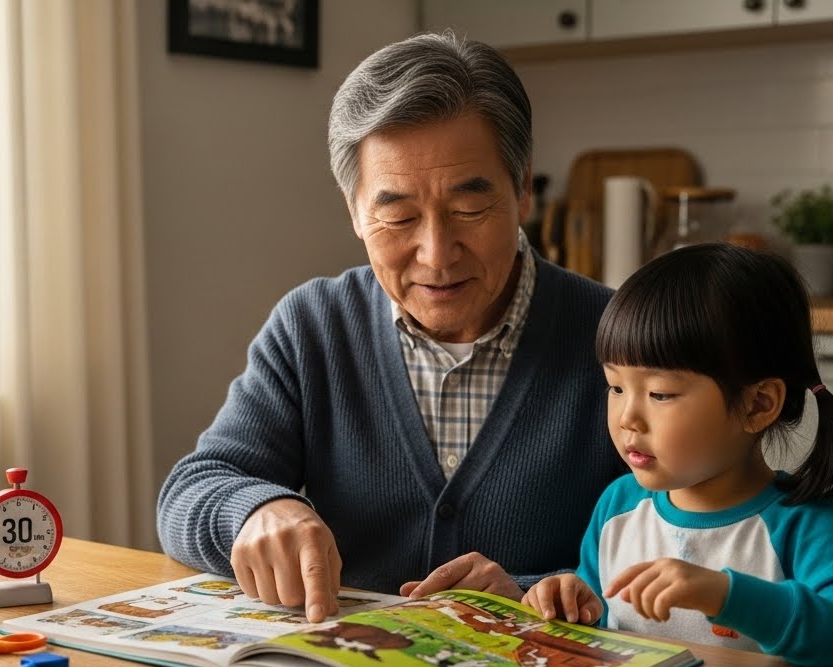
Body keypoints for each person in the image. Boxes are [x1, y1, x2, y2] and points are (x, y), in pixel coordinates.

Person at [157, 32, 623, 622]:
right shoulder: (314, 327)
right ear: (354, 209)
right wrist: (256, 509)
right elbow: (191, 490)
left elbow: (693, 548)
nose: (436, 253)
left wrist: (530, 594)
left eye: (469, 210)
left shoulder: (616, 337)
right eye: (398, 215)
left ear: (523, 188)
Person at [522, 243, 833, 667]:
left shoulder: (801, 525)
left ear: (758, 405)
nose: (627, 417)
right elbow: (601, 622)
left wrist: (729, 597)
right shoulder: (619, 507)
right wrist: (574, 600)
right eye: (616, 387)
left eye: (660, 394)